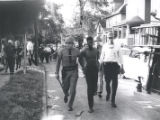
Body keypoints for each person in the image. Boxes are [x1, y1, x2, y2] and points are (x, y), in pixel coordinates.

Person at [55, 36, 80, 111]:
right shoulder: (61, 51)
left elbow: (81, 60)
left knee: (73, 89)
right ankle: (66, 94)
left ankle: (70, 104)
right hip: (65, 72)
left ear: (73, 44)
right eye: (67, 43)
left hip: (74, 71)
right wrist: (56, 73)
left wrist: (85, 67)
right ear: (65, 43)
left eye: (70, 43)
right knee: (65, 87)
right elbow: (58, 63)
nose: (69, 44)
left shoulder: (77, 51)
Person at [99, 31, 123, 108]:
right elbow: (102, 56)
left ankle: (113, 100)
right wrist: (100, 64)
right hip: (106, 66)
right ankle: (108, 93)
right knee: (107, 82)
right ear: (107, 38)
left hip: (115, 65)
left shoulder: (117, 46)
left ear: (113, 37)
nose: (110, 38)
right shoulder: (105, 46)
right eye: (109, 37)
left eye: (112, 37)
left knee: (115, 83)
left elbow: (121, 56)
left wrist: (122, 65)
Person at [79, 36, 99, 113]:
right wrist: (83, 67)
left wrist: (98, 65)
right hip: (88, 71)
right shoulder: (84, 51)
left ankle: (94, 91)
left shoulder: (96, 50)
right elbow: (80, 59)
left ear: (93, 42)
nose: (90, 43)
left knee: (94, 87)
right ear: (87, 42)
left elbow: (98, 59)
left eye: (91, 42)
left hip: (95, 70)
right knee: (89, 88)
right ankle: (90, 106)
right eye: (89, 42)